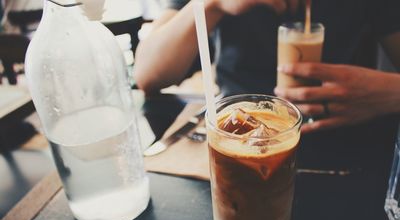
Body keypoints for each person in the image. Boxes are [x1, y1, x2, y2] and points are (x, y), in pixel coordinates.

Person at [134, 0, 400, 132]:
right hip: (236, 131)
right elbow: (147, 75)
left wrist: (392, 92)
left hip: (342, 134)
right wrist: (211, 4)